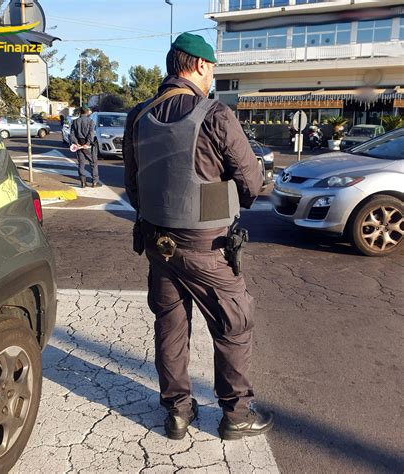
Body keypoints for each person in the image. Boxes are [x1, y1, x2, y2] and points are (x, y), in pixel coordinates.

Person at [123, 32, 274, 441]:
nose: (212, 79)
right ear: (201, 66)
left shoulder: (138, 115)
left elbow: (132, 186)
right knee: (234, 325)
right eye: (212, 70)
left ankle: (177, 413)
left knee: (171, 329)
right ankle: (236, 415)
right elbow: (252, 183)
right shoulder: (215, 114)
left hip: (159, 245)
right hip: (206, 249)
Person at [70, 107, 101, 188]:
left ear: (80, 112)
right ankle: (95, 182)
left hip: (79, 145)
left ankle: (83, 182)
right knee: (93, 163)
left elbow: (72, 135)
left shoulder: (75, 121)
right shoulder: (90, 121)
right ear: (87, 112)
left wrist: (76, 143)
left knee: (81, 164)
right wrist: (87, 143)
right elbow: (91, 134)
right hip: (88, 146)